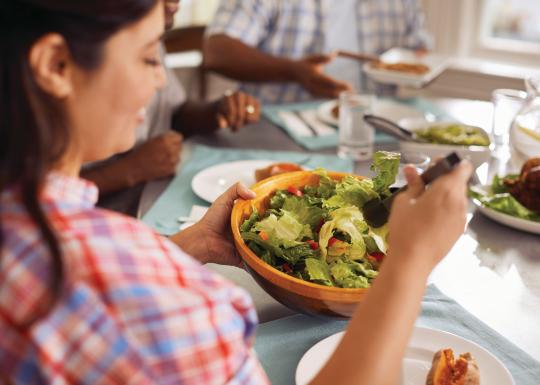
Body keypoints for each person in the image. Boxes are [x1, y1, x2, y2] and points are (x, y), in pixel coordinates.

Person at [0, 1, 472, 384]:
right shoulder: (169, 301)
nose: (162, 79)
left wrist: (187, 247)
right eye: (148, 56)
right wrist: (410, 260)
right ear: (56, 64)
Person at [81, 0, 261, 213]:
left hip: (153, 193)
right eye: (148, 60)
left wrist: (216, 111)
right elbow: (43, 188)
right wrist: (131, 170)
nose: (160, 80)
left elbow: (173, 112)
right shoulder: (92, 45)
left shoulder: (151, 38)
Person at [204, 0, 431, 104]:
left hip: (376, 126)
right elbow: (217, 52)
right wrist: (293, 71)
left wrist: (417, 64)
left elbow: (417, 49)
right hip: (281, 128)